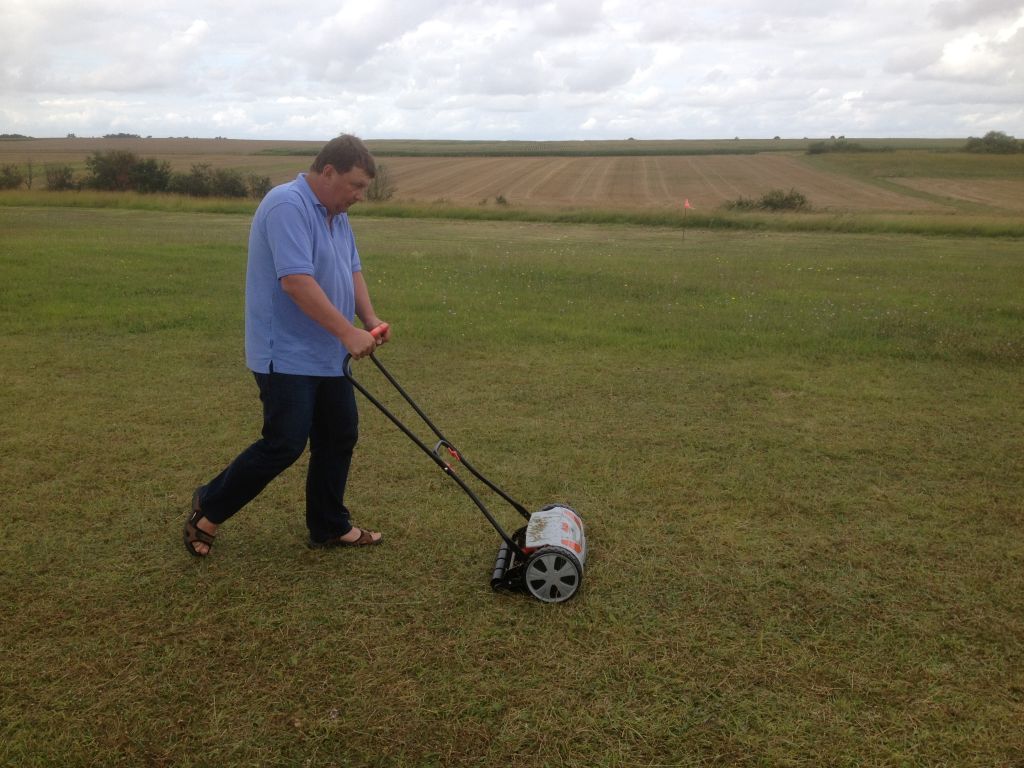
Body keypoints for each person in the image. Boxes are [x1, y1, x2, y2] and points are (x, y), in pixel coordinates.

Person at [184, 134, 391, 557]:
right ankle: (208, 509)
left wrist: (368, 321)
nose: (359, 196)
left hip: (327, 353)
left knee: (339, 435)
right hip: (285, 353)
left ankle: (329, 525)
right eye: (355, 185)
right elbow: (295, 282)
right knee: (284, 443)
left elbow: (351, 269)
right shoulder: (286, 205)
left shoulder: (336, 214)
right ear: (328, 172)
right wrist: (347, 332)